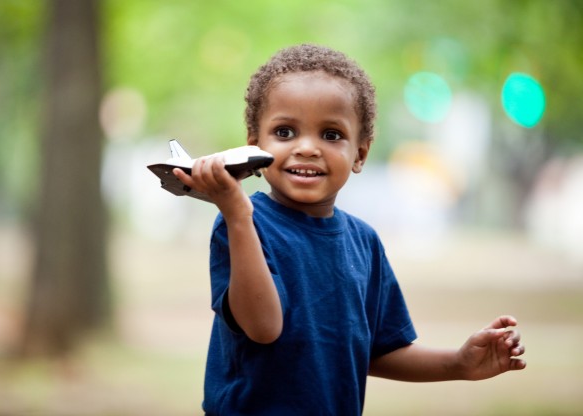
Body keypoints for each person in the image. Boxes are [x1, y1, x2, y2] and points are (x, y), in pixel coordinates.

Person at [173, 44, 526, 415]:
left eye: (331, 135)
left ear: (360, 153)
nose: (307, 148)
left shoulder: (364, 243)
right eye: (285, 131)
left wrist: (458, 364)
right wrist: (237, 214)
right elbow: (263, 328)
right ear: (255, 146)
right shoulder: (242, 224)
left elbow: (378, 350)